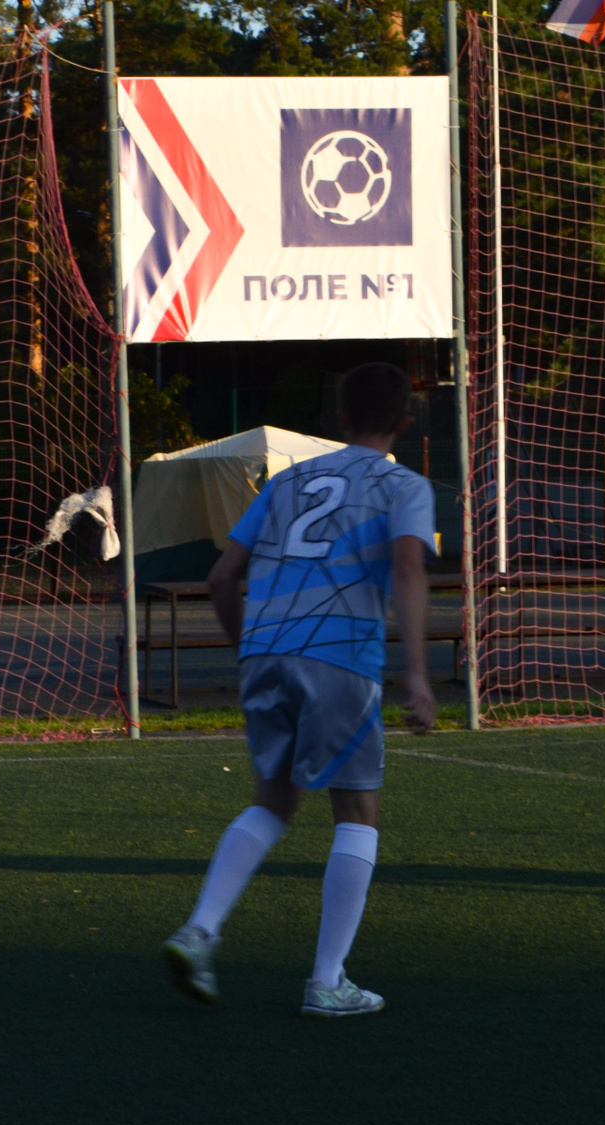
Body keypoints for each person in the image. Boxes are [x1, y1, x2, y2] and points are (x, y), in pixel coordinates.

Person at [162, 362, 437, 1018]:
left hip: (267, 651)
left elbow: (221, 578)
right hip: (338, 654)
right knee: (357, 811)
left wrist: (249, 651)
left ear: (340, 419)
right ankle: (327, 981)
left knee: (274, 799)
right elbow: (407, 568)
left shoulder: (287, 479)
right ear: (404, 423)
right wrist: (419, 677)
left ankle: (199, 931)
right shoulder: (405, 484)